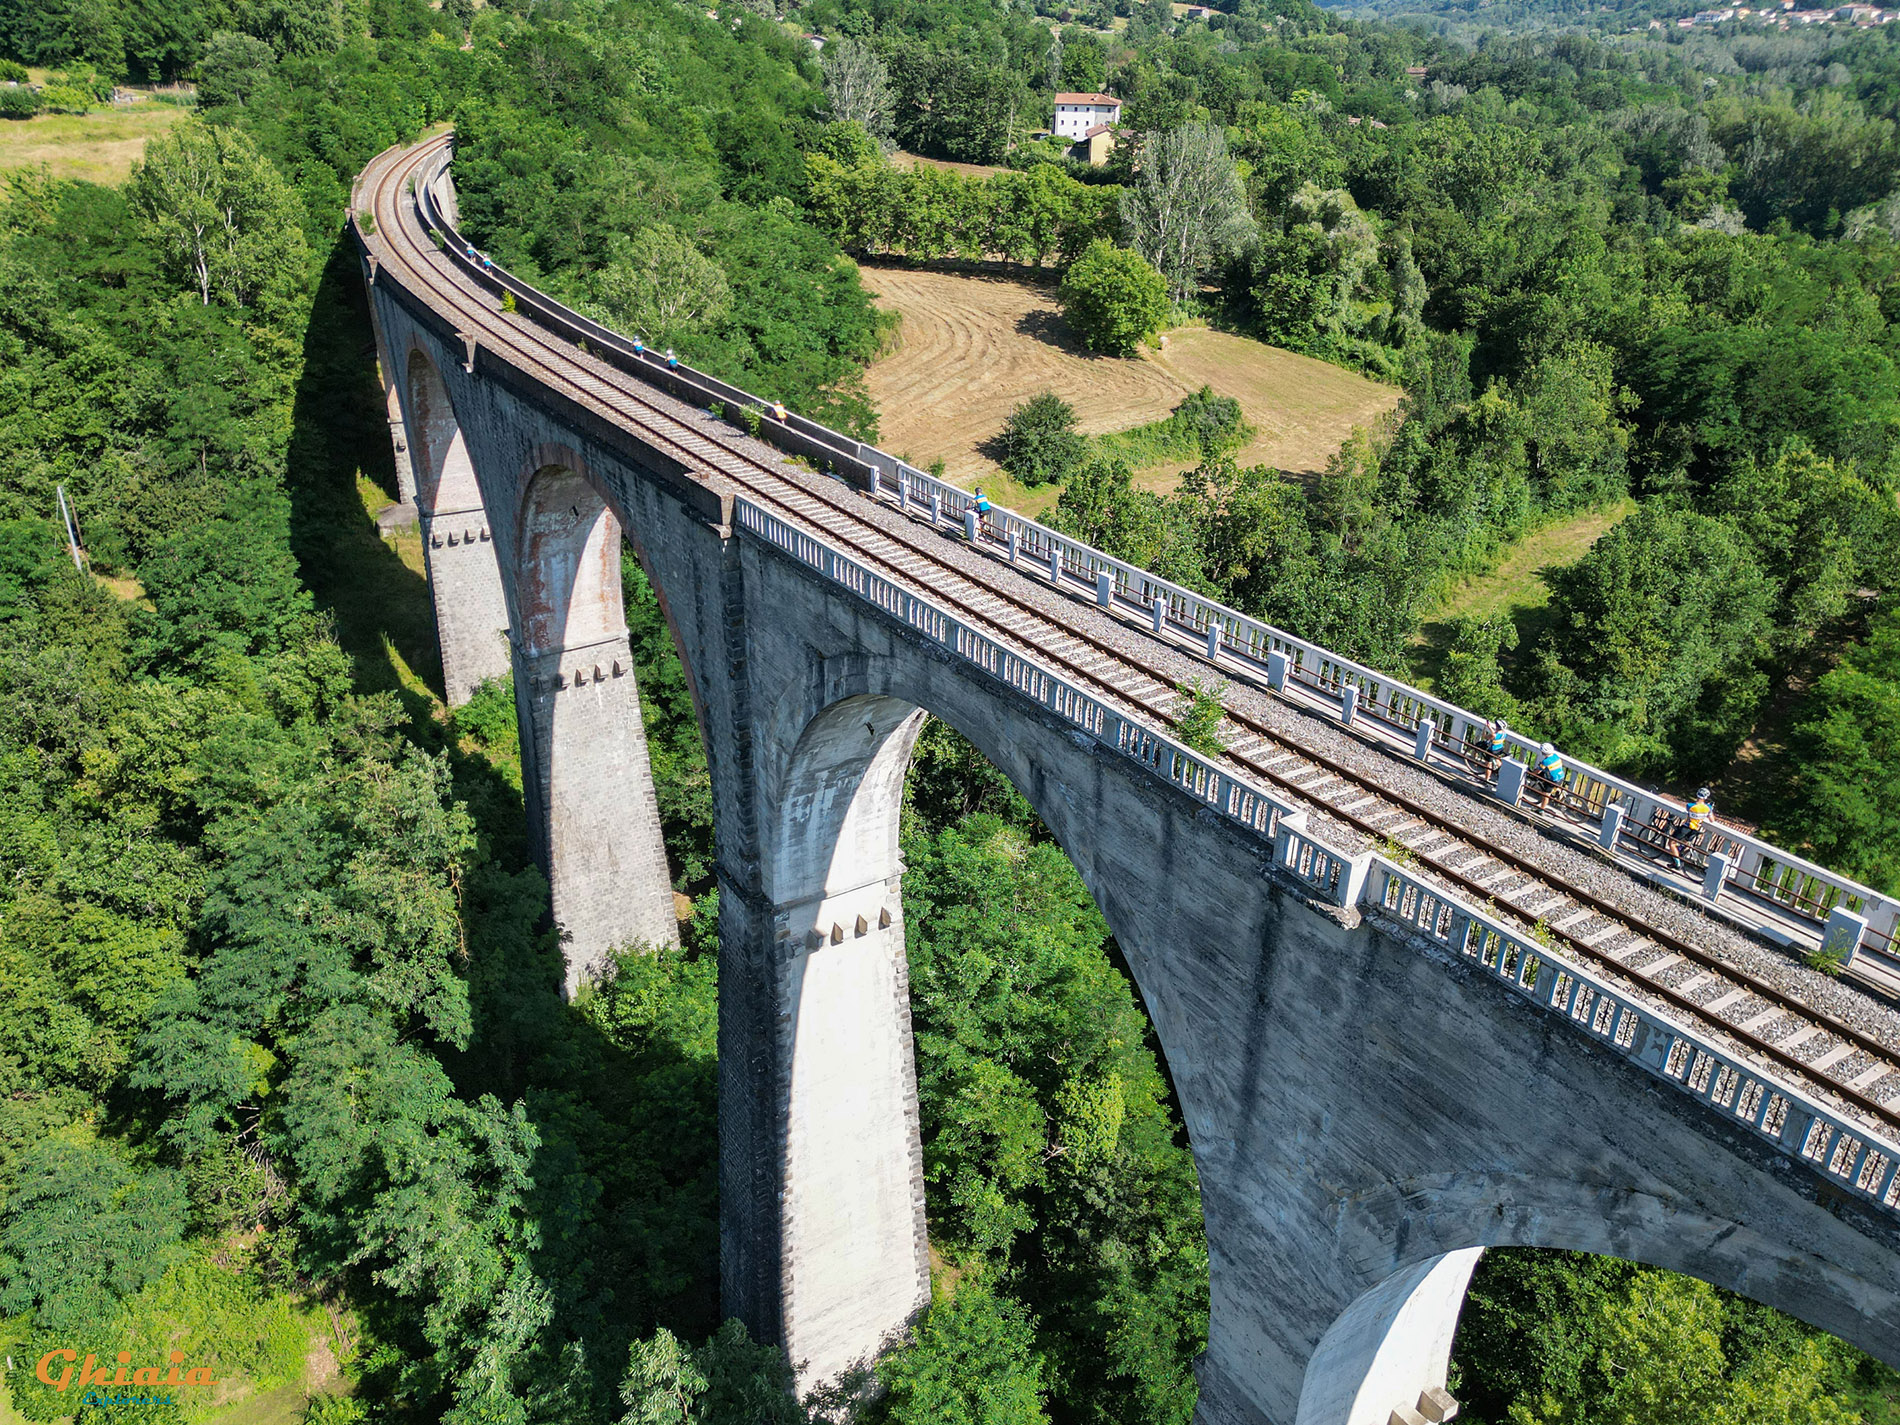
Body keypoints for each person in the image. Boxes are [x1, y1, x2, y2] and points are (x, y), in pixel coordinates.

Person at [1672, 787, 1716, 869]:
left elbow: (1691, 813)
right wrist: (1710, 807)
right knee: (1685, 843)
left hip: (1686, 827)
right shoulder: (1708, 808)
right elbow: (1712, 820)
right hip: (1696, 830)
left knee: (1671, 843)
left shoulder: (1689, 806)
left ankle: (1677, 862)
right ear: (1706, 797)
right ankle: (1679, 854)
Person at [1528, 741, 1567, 811]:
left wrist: (1531, 773)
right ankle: (1558, 791)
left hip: (1553, 780)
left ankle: (1541, 810)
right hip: (1560, 776)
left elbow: (1538, 771)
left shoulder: (1546, 761)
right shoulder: (1556, 756)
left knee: (1546, 795)